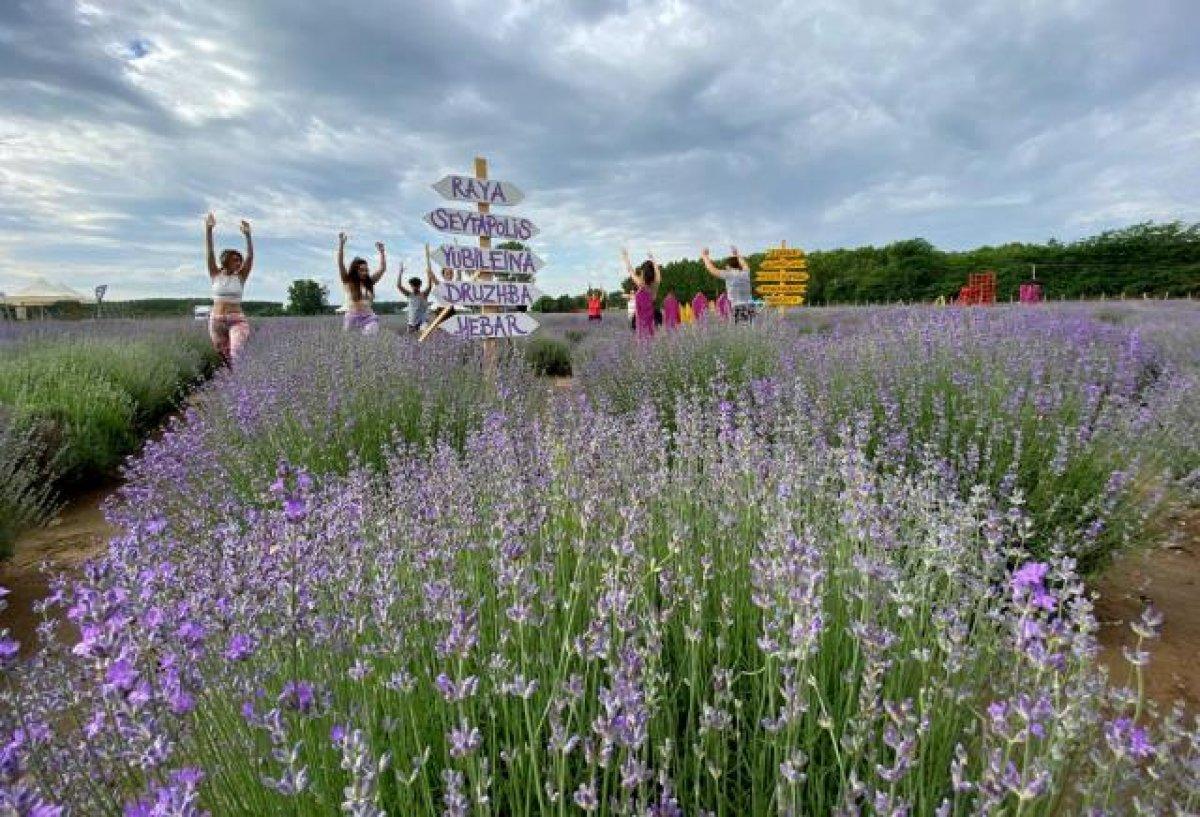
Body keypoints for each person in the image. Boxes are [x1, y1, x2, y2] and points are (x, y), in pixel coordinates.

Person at [204, 212, 253, 364]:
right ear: (226, 261)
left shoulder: (241, 276)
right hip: (216, 321)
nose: (239, 263)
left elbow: (250, 257)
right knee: (225, 358)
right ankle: (234, 384)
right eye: (235, 260)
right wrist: (209, 230)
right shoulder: (215, 274)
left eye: (240, 260)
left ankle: (242, 381)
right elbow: (210, 252)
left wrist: (248, 235)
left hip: (236, 320)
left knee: (237, 353)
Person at [337, 233, 386, 334]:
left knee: (370, 336)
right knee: (351, 344)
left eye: (366, 270)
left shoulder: (370, 282)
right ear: (355, 270)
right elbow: (340, 264)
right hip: (352, 319)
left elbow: (382, 269)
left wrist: (382, 252)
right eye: (361, 270)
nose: (365, 272)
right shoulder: (348, 281)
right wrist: (341, 244)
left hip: (369, 318)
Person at [701, 246, 756, 323]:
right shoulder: (746, 273)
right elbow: (744, 264)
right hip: (750, 305)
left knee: (742, 332)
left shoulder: (729, 274)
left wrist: (704, 256)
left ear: (728, 266)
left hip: (738, 307)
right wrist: (736, 254)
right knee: (752, 330)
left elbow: (712, 269)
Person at [620, 248, 662, 339]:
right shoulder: (656, 283)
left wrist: (625, 258)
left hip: (640, 318)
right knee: (654, 342)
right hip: (654, 315)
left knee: (643, 345)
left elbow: (630, 270)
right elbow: (657, 270)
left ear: (643, 272)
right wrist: (652, 259)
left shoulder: (640, 283)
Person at [399, 245, 436, 334]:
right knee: (410, 340)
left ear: (419, 285)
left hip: (422, 322)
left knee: (425, 332)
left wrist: (429, 273)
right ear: (411, 286)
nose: (414, 287)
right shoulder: (409, 294)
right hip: (411, 323)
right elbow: (399, 286)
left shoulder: (424, 294)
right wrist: (400, 273)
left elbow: (430, 285)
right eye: (412, 285)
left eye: (416, 285)